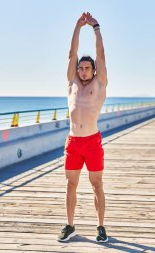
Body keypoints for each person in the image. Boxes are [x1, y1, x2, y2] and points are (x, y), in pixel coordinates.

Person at [58, 12, 108, 243]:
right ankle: (70, 226)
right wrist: (78, 27)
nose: (83, 71)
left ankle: (100, 227)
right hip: (73, 142)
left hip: (92, 141)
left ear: (94, 70)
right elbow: (72, 54)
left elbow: (101, 55)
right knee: (71, 185)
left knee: (96, 184)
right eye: (81, 68)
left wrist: (95, 27)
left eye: (87, 68)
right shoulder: (72, 83)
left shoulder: (99, 83)